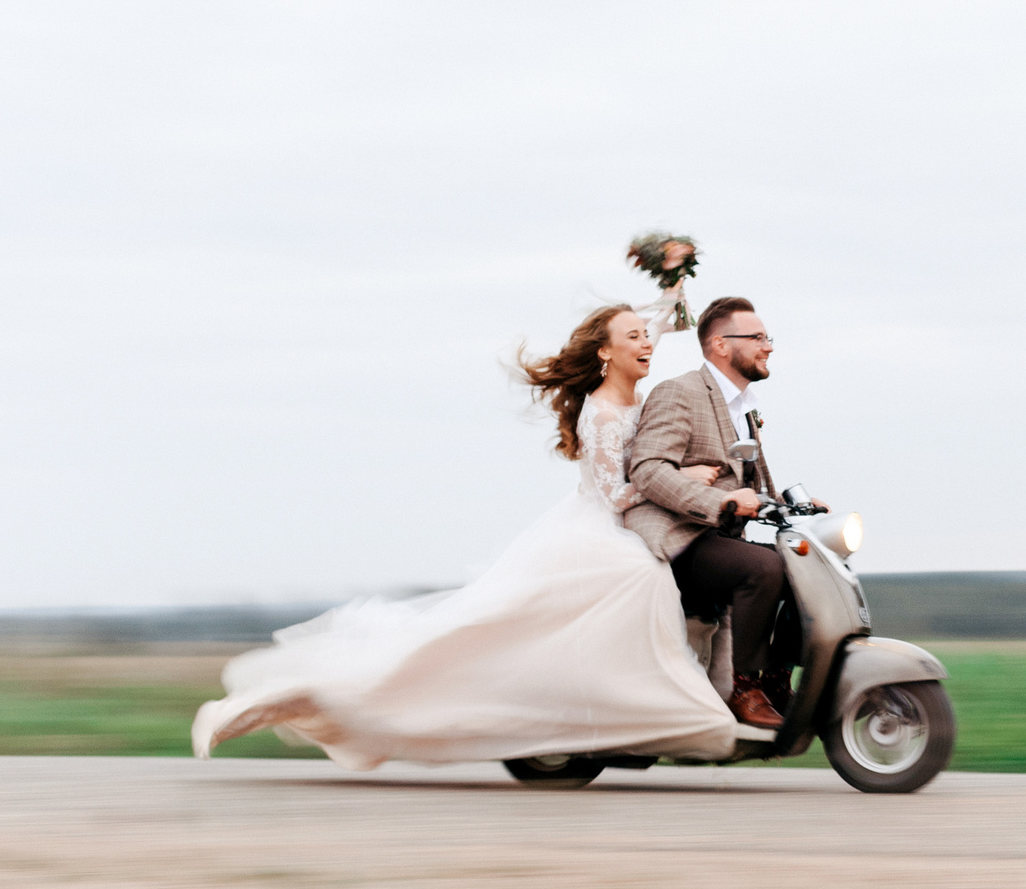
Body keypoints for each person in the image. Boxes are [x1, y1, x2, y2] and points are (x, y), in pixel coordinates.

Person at [191, 305, 739, 768]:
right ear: (605, 352)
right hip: (599, 534)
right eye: (635, 338)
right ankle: (281, 703)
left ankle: (625, 715)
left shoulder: (636, 395)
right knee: (470, 643)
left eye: (648, 337)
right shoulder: (600, 413)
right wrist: (681, 481)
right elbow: (615, 495)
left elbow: (661, 323)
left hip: (617, 529)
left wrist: (673, 283)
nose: (648, 344)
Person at [622, 295, 801, 730]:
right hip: (677, 533)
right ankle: (743, 687)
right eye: (758, 337)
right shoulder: (679, 392)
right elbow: (647, 469)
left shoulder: (743, 406)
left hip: (719, 537)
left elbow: (750, 480)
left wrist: (793, 503)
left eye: (767, 337)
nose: (769, 346)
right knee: (764, 568)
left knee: (806, 563)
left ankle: (777, 678)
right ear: (721, 344)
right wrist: (719, 502)